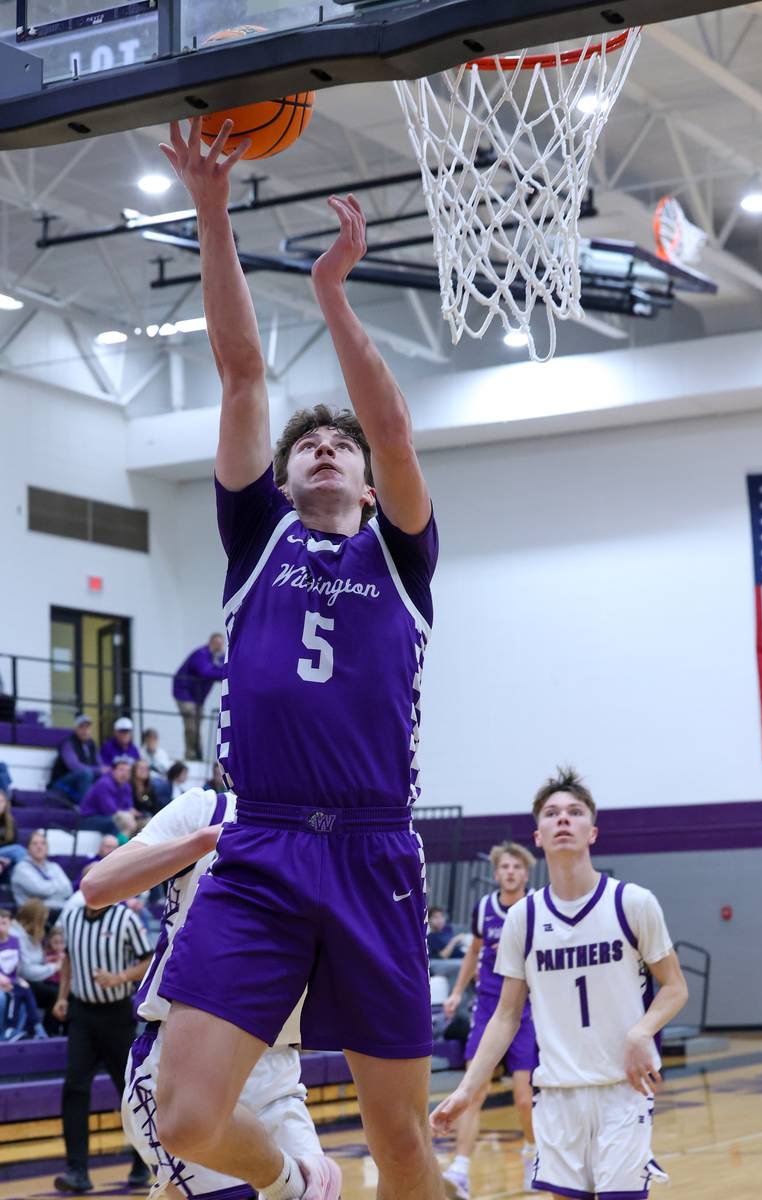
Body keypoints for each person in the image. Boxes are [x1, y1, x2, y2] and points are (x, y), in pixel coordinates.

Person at [153, 118, 441, 1200]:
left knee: (405, 1145)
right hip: (264, 845)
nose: (323, 446)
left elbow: (399, 432)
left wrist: (333, 293)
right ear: (280, 482)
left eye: (342, 446)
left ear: (368, 484)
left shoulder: (402, 557)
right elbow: (237, 373)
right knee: (179, 1116)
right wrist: (214, 209)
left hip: (371, 850)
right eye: (304, 445)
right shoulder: (255, 541)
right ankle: (295, 1177)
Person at [431, 768, 689, 1200]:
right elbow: (506, 1016)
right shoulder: (523, 919)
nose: (563, 819)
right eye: (552, 813)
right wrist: (466, 1090)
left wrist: (643, 1030)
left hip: (621, 1093)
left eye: (575, 812)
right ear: (538, 835)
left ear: (593, 831)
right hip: (556, 1096)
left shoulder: (632, 903)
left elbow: (675, 987)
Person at [82, 786, 342, 1200]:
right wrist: (207, 840)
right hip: (181, 1056)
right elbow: (97, 886)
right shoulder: (208, 808)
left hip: (275, 1065)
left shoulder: (330, 827)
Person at [440, 843, 537, 1199]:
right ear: (496, 874)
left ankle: (532, 1151)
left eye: (516, 867)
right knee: (474, 1089)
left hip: (526, 1009)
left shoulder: (536, 908)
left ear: (526, 874)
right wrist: (455, 992)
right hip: (488, 1007)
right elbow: (474, 954)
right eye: (505, 867)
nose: (510, 872)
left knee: (524, 1097)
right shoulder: (484, 909)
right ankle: (461, 1168)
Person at [52, 891, 153, 1192]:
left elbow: (149, 959)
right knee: (74, 1088)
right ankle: (77, 1171)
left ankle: (143, 1161)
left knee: (129, 1092)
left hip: (116, 1015)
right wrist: (61, 997)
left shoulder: (125, 918)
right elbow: (68, 958)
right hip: (82, 1014)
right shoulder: (71, 918)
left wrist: (120, 977)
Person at [12, 898, 63, 1033]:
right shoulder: (16, 936)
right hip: (19, 981)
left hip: (37, 978)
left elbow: (39, 961)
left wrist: (52, 960)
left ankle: (61, 1032)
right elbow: (26, 971)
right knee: (54, 994)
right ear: (34, 919)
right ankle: (49, 1032)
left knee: (65, 989)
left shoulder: (33, 934)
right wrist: (54, 967)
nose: (45, 923)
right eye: (43, 919)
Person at [172, 636, 226, 760]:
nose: (221, 646)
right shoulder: (201, 654)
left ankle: (196, 752)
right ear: (212, 642)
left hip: (198, 697)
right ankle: (192, 754)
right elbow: (206, 672)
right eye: (218, 643)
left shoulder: (218, 657)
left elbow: (226, 667)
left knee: (196, 724)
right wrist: (224, 672)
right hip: (184, 692)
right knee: (191, 724)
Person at [0, 907, 48, 1040]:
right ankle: (10, 1029)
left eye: (4, 923)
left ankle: (35, 1027)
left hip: (12, 980)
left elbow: (17, 965)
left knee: (26, 988)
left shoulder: (15, 941)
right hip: (3, 982)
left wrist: (17, 979)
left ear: (10, 924)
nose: (1, 927)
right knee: (13, 994)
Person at [11, 831, 73, 917]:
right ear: (28, 848)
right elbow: (41, 890)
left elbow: (68, 889)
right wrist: (58, 886)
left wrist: (50, 888)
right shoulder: (21, 868)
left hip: (56, 912)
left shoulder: (54, 866)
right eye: (35, 844)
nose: (39, 847)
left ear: (47, 848)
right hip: (31, 917)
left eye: (43, 843)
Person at [49, 716, 106, 804]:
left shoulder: (92, 745)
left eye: (87, 727)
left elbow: (100, 764)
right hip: (61, 784)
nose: (85, 731)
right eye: (81, 727)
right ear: (75, 729)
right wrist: (99, 770)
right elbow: (75, 767)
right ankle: (85, 810)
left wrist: (107, 771)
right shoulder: (68, 743)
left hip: (81, 783)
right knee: (85, 773)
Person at [79, 757, 136, 836]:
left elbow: (128, 807)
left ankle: (128, 845)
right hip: (89, 818)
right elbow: (109, 810)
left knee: (142, 824)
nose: (125, 774)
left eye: (128, 771)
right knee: (115, 823)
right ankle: (118, 846)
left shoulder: (126, 786)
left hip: (107, 816)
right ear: (113, 771)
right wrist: (128, 815)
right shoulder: (104, 783)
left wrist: (131, 814)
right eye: (121, 770)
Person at [0, 788, 27, 876]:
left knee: (15, 866)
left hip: (7, 856)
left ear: (6, 804)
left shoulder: (10, 822)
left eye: (1, 801)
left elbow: (14, 842)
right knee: (18, 850)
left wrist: (7, 860)